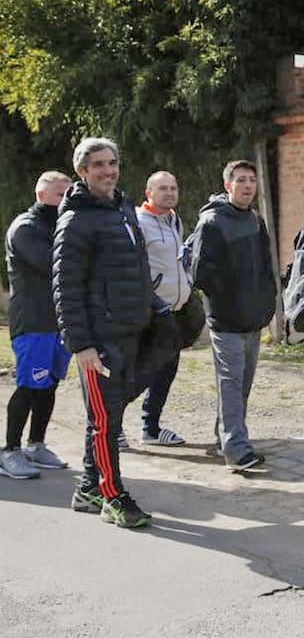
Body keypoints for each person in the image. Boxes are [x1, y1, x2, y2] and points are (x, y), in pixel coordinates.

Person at [54, 138, 160, 528]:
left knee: (108, 416)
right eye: (98, 165)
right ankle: (112, 496)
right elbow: (66, 288)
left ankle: (88, 488)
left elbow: (137, 268)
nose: (108, 171)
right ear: (82, 171)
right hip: (98, 341)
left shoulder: (123, 209)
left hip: (129, 330)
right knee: (104, 422)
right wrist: (81, 345)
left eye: (112, 163)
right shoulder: (76, 220)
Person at [189, 159, 276, 472]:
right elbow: (201, 273)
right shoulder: (212, 222)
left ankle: (223, 438)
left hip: (253, 319)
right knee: (231, 383)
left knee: (242, 385)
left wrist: (267, 303)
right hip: (226, 321)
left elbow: (266, 267)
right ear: (228, 185)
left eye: (252, 179)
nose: (248, 185)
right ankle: (237, 451)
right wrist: (230, 297)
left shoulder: (255, 220)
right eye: (241, 180)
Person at [3, 171, 73, 479]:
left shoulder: (62, 225)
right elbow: (54, 265)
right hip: (33, 321)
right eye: (60, 195)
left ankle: (36, 444)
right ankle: (9, 451)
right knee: (30, 385)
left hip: (60, 322)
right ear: (42, 196)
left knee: (49, 384)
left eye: (69, 194)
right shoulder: (26, 228)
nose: (66, 201)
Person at [135, 170, 191, 447]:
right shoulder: (137, 222)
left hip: (174, 312)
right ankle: (113, 428)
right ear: (149, 193)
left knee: (166, 372)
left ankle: (151, 428)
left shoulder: (174, 220)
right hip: (149, 313)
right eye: (163, 188)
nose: (169, 193)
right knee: (138, 373)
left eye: (173, 188)